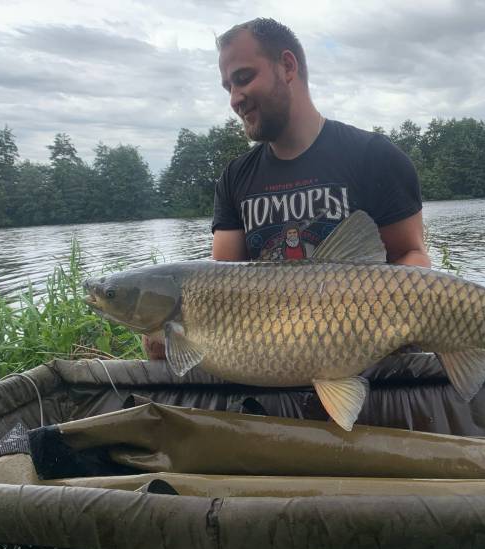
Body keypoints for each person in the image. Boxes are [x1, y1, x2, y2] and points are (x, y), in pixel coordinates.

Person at [144, 17, 430, 360]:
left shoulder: (374, 157)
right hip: (272, 357)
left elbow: (410, 257)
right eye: (228, 88)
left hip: (363, 352)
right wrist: (172, 335)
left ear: (288, 66)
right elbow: (216, 287)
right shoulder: (235, 178)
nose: (235, 99)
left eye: (243, 78)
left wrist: (364, 328)